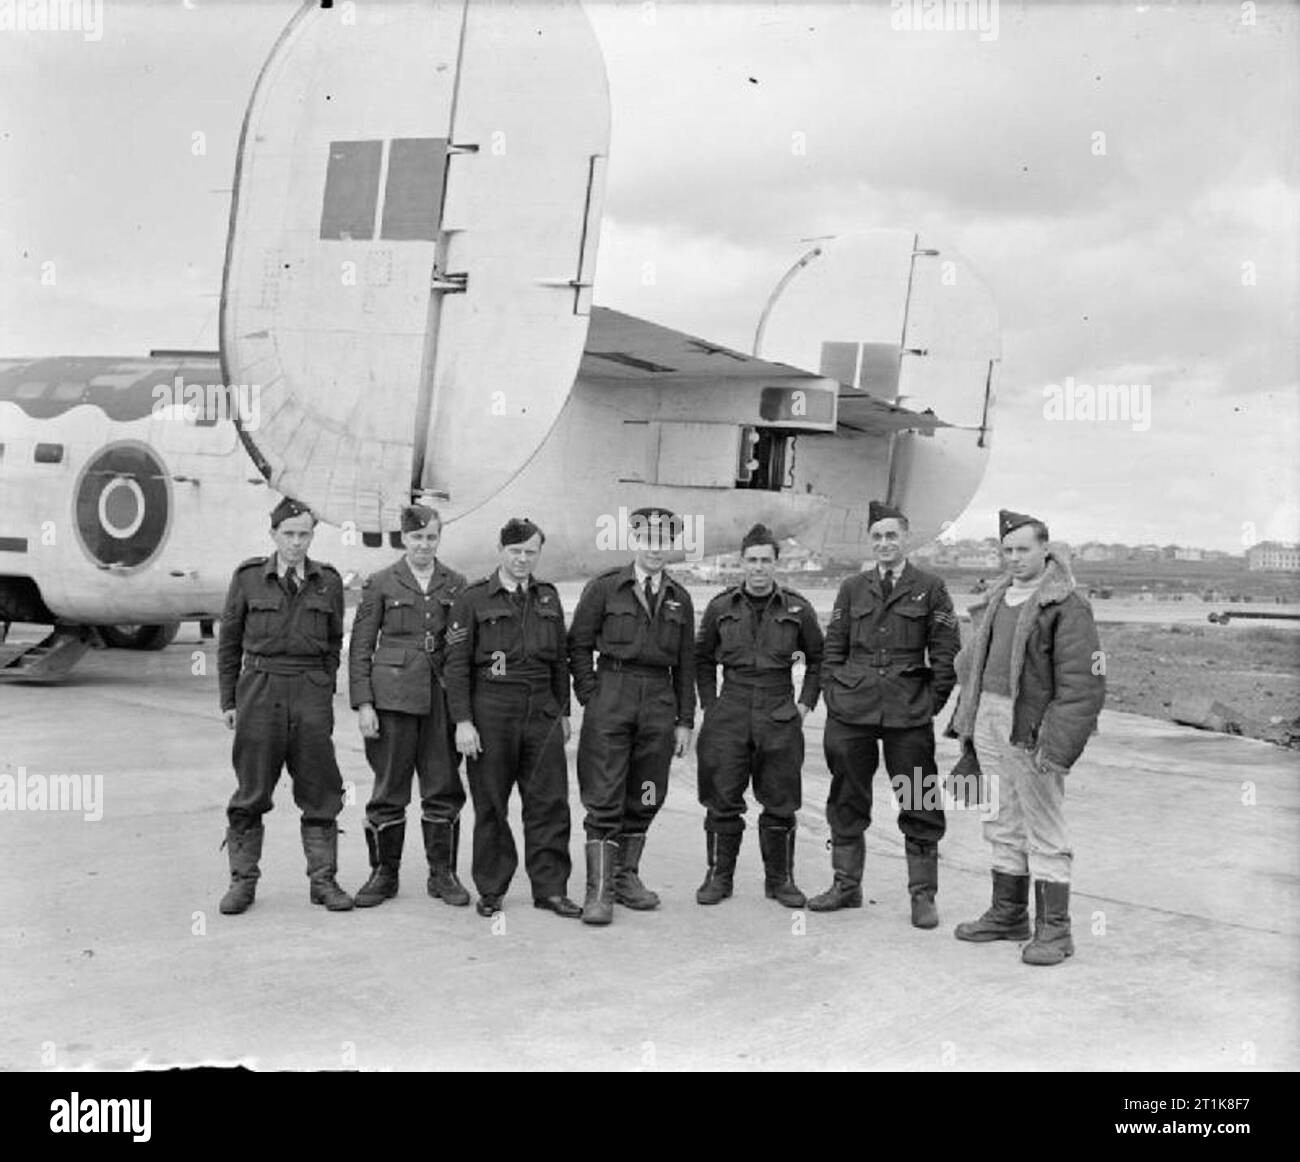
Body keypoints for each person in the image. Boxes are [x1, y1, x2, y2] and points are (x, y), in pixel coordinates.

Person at [949, 510, 1105, 966]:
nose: (1015, 558)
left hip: (1031, 728)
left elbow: (1083, 687)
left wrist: (1055, 748)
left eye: (1024, 549)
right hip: (989, 719)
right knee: (1001, 819)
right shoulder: (998, 596)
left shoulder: (1067, 604)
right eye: (1008, 550)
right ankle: (1008, 914)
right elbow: (972, 665)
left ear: (1045, 549)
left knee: (1044, 826)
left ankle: (1055, 932)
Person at [809, 500, 959, 928]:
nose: (884, 543)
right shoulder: (852, 588)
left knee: (919, 797)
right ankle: (846, 885)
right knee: (846, 795)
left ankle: (922, 895)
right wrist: (834, 694)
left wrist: (931, 702)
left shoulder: (930, 587)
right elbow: (833, 646)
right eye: (877, 537)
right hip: (851, 709)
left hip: (907, 710)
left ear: (906, 538)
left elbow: (946, 652)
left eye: (891, 535)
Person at [216, 497, 353, 914]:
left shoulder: (327, 581)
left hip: (310, 693)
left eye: (304, 534)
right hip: (260, 690)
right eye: (288, 534)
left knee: (320, 788)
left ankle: (323, 881)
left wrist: (322, 688)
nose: (296, 543)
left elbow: (333, 644)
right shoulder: (248, 578)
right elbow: (229, 643)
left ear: (312, 536)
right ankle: (242, 882)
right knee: (252, 789)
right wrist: (230, 700)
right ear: (273, 533)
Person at [444, 518, 580, 919]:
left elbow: (560, 661)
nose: (523, 560)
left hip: (541, 712)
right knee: (491, 804)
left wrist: (563, 711)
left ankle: (551, 889)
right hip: (491, 710)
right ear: (500, 552)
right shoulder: (472, 599)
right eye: (516, 552)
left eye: (530, 552)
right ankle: (492, 888)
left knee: (550, 803)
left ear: (539, 554)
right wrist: (463, 722)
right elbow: (456, 666)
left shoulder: (548, 597)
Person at [568, 506, 695, 925]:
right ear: (635, 542)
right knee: (604, 794)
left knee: (646, 792)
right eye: (648, 540)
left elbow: (687, 665)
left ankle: (626, 878)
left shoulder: (680, 598)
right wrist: (591, 694)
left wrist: (684, 721)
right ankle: (599, 891)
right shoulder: (606, 588)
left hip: (659, 700)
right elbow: (579, 645)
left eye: (663, 542)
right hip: (613, 693)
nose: (655, 549)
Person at [693, 523, 824, 907]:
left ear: (776, 564)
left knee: (781, 800)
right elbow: (701, 658)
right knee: (722, 798)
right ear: (741, 563)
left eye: (766, 560)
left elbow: (819, 658)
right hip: (730, 707)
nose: (759, 568)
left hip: (778, 707)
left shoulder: (798, 608)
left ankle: (780, 880)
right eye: (752, 560)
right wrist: (709, 704)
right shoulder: (721, 607)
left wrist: (804, 704)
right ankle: (719, 876)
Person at [347, 503, 470, 908]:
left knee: (443, 786)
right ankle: (384, 874)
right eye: (417, 538)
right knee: (389, 787)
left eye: (431, 537)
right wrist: (364, 703)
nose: (424, 546)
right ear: (403, 538)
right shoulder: (381, 582)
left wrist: (463, 712)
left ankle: (442, 874)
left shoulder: (456, 583)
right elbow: (361, 647)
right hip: (392, 699)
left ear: (439, 538)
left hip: (440, 697)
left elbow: (463, 649)